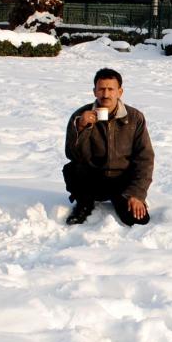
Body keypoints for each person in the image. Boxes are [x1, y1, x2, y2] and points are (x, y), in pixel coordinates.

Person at [64, 68, 154, 226]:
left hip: (122, 181)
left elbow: (145, 159)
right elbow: (72, 154)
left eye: (110, 89)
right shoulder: (80, 115)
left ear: (120, 91)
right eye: (101, 89)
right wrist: (81, 128)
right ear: (94, 91)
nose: (105, 94)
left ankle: (123, 200)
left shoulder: (134, 117)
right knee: (72, 169)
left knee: (137, 220)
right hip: (93, 179)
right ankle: (84, 203)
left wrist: (137, 194)